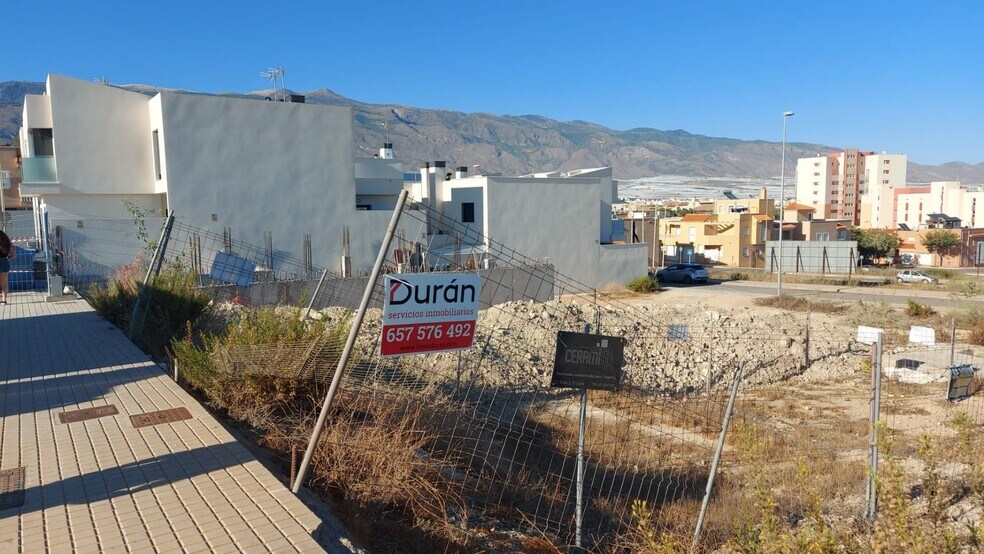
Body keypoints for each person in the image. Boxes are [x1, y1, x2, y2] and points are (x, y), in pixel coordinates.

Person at [0, 229, 13, 305]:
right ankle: (4, 300)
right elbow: (13, 255)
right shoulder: (6, 243)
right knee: (4, 282)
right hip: (5, 262)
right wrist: (7, 257)